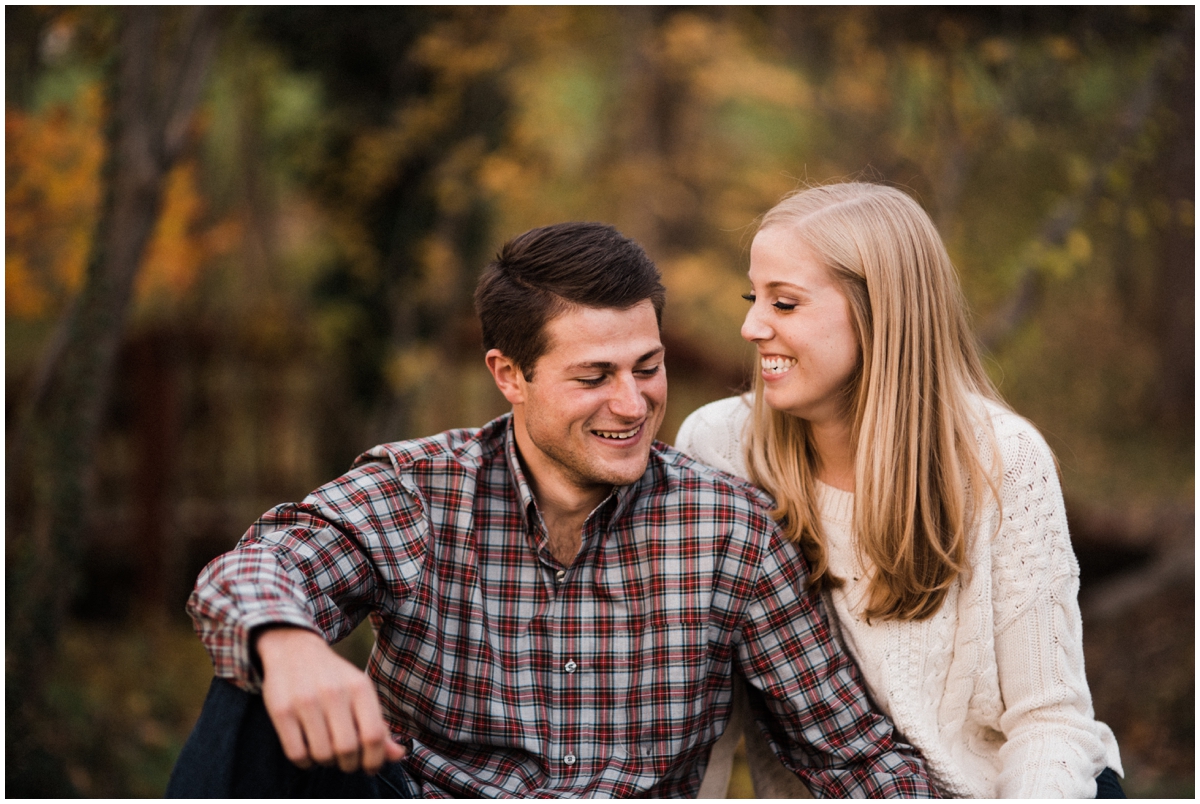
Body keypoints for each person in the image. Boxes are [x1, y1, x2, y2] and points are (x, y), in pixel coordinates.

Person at [167, 221, 934, 798]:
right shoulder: (421, 492)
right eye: (594, 375)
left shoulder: (726, 530)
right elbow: (261, 564)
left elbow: (849, 751)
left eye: (649, 367)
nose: (632, 405)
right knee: (253, 691)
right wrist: (287, 642)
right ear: (509, 374)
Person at [678, 182, 1125, 798]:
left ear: (877, 312)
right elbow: (704, 709)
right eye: (753, 297)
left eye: (784, 304)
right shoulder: (721, 447)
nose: (751, 326)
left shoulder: (1001, 459)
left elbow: (1047, 719)